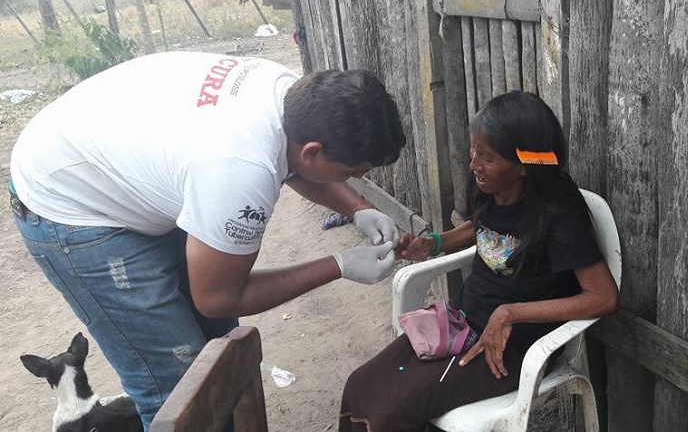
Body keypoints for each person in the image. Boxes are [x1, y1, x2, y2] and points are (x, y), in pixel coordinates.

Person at [9, 51, 406, 428]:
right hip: (69, 203)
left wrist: (357, 208)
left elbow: (295, 162)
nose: (353, 180)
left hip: (112, 161)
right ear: (314, 150)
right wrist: (339, 265)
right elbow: (218, 298)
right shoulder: (240, 170)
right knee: (180, 391)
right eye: (353, 170)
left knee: (217, 353)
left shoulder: (289, 95)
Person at [339, 91, 620, 432]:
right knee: (360, 386)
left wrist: (510, 313)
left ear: (523, 165)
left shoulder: (559, 215)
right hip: (461, 323)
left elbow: (603, 297)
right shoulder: (491, 189)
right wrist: (436, 243)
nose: (474, 165)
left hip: (512, 350)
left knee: (394, 412)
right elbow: (481, 227)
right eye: (474, 151)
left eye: (487, 157)